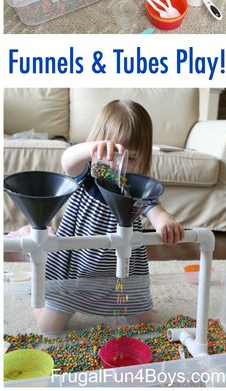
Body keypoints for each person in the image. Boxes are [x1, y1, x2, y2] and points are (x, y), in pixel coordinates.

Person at [34, 99, 184, 333]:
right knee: (48, 328)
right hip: (76, 269)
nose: (119, 166)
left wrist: (164, 220)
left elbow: (154, 209)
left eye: (131, 158)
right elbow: (67, 161)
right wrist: (92, 149)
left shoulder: (134, 187)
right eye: (112, 154)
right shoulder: (87, 174)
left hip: (121, 274)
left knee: (145, 325)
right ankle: (38, 296)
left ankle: (128, 304)